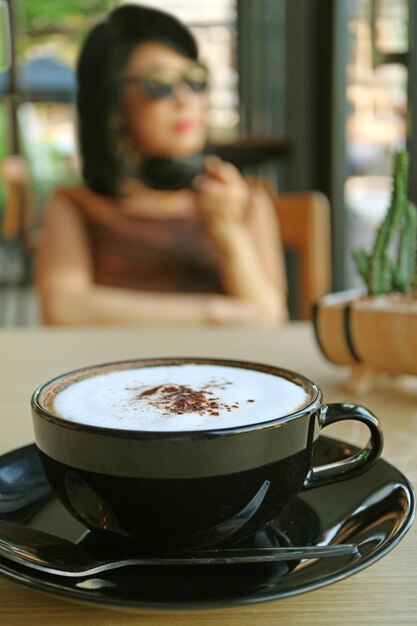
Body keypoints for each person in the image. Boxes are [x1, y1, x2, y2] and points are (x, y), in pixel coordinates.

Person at [35, 3, 288, 326]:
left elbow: (268, 318)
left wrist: (228, 229)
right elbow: (63, 309)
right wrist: (216, 314)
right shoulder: (75, 206)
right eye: (160, 84)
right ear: (114, 105)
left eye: (195, 81)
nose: (185, 99)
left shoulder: (246, 201)